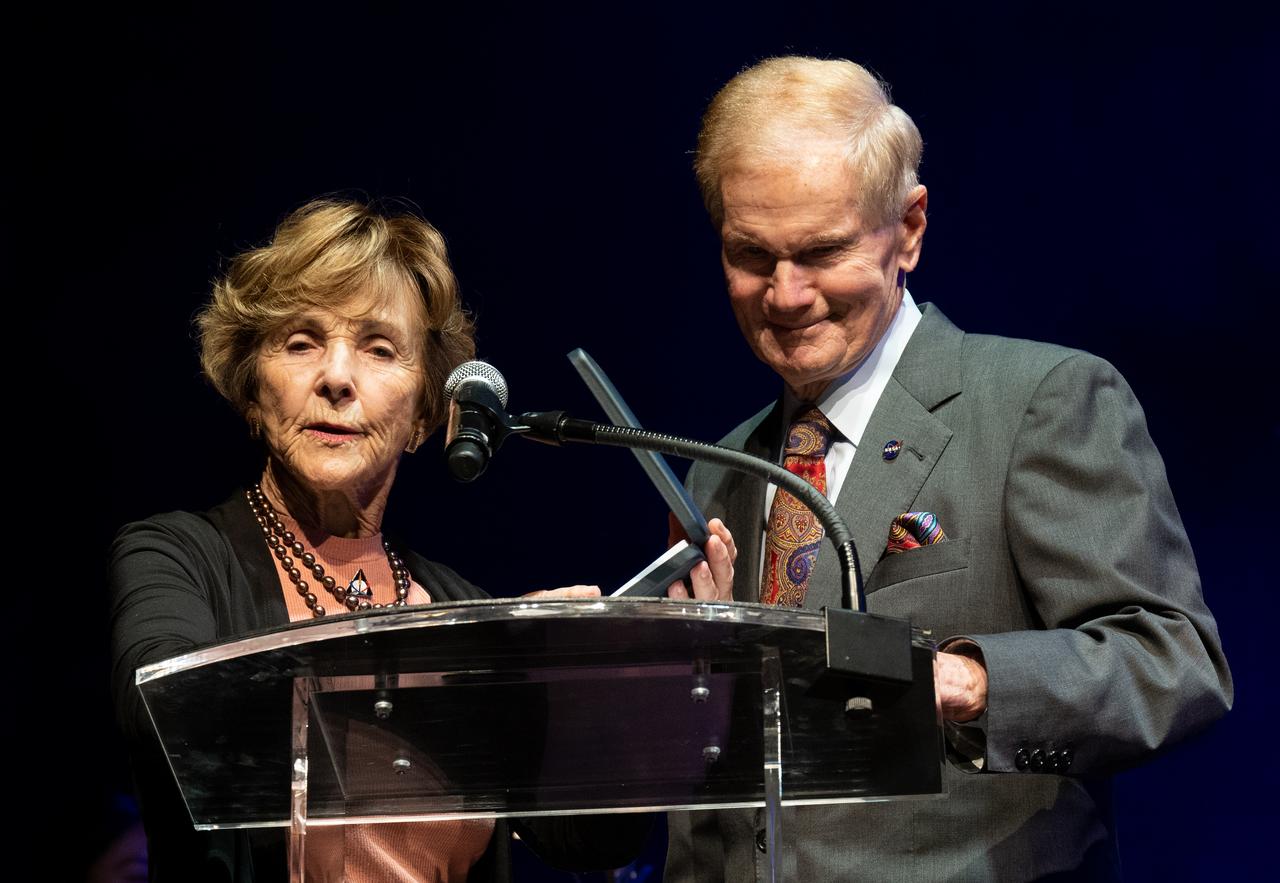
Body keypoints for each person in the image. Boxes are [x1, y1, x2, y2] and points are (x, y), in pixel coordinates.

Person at [663, 57, 1232, 881]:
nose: (785, 295)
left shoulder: (1039, 400)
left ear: (911, 228)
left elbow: (1174, 663)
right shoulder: (719, 472)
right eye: (752, 255)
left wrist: (970, 680)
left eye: (822, 251)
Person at [109, 197, 647, 881]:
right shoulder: (177, 557)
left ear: (425, 412)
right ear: (251, 387)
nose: (336, 377)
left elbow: (597, 844)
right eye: (301, 342)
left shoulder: (459, 606)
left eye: (378, 348)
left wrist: (603, 693)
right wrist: (467, 667)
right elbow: (162, 712)